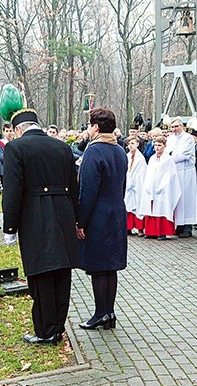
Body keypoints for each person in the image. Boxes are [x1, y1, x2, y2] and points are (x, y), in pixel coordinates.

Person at [2, 108, 79, 344]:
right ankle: (58, 325)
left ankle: (45, 330)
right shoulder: (62, 147)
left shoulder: (16, 148)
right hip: (63, 213)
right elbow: (74, 187)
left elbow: (13, 191)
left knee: (41, 272)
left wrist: (9, 227)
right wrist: (76, 218)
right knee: (61, 272)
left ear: (17, 129)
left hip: (34, 216)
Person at [76, 108, 128, 330]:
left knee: (99, 266)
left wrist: (81, 222)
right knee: (111, 266)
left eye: (90, 125)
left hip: (98, 215)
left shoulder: (94, 152)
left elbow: (87, 192)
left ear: (96, 127)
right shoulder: (120, 151)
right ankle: (109, 313)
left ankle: (100, 313)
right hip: (117, 212)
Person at [138, 136, 182, 240]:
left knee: (162, 207)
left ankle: (161, 231)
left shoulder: (168, 159)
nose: (157, 148)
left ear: (164, 146)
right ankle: (150, 231)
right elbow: (149, 173)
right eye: (155, 145)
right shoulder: (152, 158)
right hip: (151, 186)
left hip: (163, 187)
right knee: (150, 208)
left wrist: (162, 186)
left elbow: (170, 174)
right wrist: (148, 185)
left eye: (159, 145)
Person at [166, 118, 197, 237]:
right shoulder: (170, 138)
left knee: (186, 198)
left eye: (176, 126)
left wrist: (170, 156)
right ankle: (179, 224)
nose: (174, 129)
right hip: (174, 171)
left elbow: (183, 155)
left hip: (185, 171)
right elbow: (167, 151)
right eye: (172, 127)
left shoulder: (188, 138)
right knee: (177, 198)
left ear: (182, 126)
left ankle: (187, 226)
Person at [124, 136, 147, 236]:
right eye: (129, 144)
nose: (130, 146)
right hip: (129, 184)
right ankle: (128, 227)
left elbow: (142, 173)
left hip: (138, 184)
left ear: (137, 144)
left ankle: (140, 228)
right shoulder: (127, 156)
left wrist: (134, 182)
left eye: (132, 143)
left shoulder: (140, 158)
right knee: (128, 205)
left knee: (138, 206)